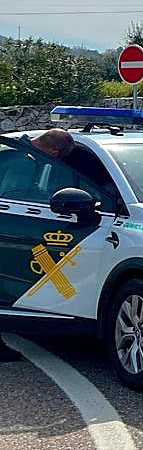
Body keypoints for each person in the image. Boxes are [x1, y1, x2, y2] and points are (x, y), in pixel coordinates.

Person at [0, 129, 76, 364]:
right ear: (54, 152)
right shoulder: (23, 162)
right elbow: (16, 196)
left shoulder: (14, 147)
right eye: (61, 159)